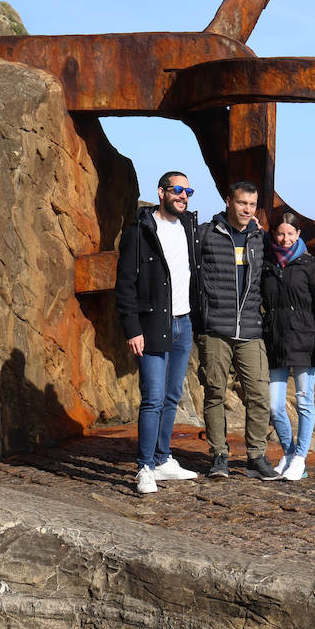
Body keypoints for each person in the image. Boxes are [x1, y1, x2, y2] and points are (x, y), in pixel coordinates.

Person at [114, 171, 202, 494]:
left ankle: (163, 459)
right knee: (152, 398)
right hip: (152, 325)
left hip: (184, 323)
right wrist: (132, 329)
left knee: (171, 396)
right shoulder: (140, 231)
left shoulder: (189, 228)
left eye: (188, 191)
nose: (183, 196)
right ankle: (145, 467)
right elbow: (124, 285)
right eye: (177, 190)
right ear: (161, 192)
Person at [195, 181, 277, 480]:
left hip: (251, 332)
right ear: (228, 201)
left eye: (252, 205)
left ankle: (256, 456)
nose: (247, 209)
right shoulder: (206, 233)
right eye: (242, 203)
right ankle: (219, 456)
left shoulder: (260, 238)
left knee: (259, 395)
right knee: (214, 393)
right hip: (216, 328)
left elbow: (286, 256)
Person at [261, 213, 315, 482]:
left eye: (291, 234)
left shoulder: (309, 265)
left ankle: (300, 457)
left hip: (305, 341)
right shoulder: (267, 263)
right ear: (274, 235)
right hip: (275, 340)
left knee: (304, 402)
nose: (285, 239)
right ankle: (290, 454)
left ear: (298, 235)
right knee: (274, 405)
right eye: (280, 234)